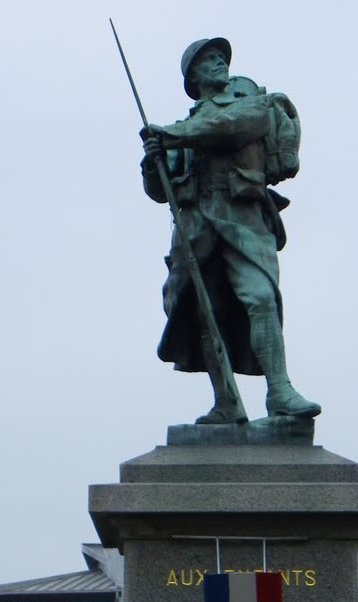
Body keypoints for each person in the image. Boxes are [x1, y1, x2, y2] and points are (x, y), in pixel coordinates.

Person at [141, 37, 320, 425]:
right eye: (210, 59)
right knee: (203, 314)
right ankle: (226, 403)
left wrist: (174, 135)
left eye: (221, 57)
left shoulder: (249, 101)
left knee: (260, 298)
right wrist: (151, 163)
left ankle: (281, 391)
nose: (220, 62)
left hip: (243, 220)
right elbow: (160, 190)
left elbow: (236, 127)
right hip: (195, 228)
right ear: (194, 76)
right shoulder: (182, 126)